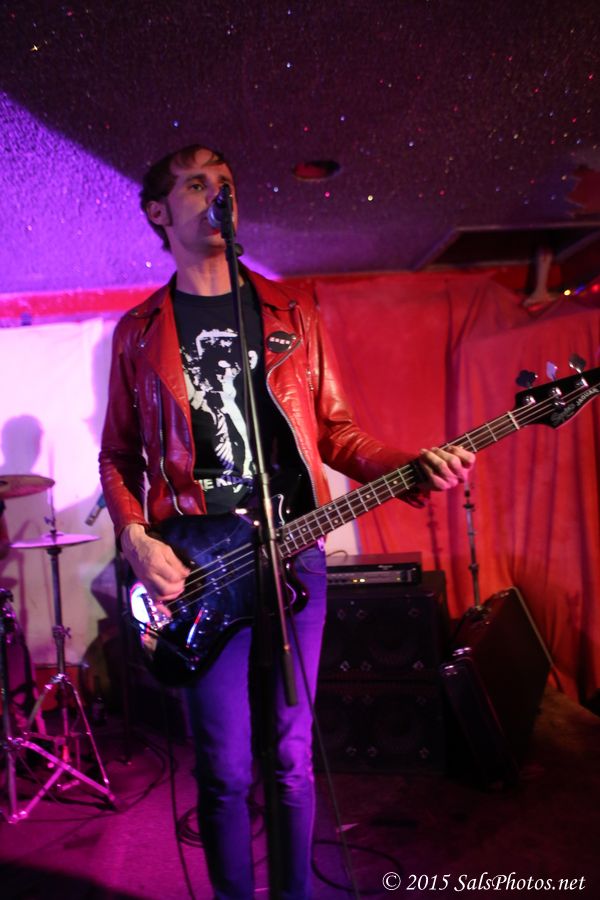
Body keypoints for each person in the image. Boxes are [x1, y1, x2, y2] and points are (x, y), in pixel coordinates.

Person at [99, 144, 474, 900]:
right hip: (201, 567)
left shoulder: (291, 311)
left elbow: (335, 432)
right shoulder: (139, 331)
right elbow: (118, 455)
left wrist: (407, 463)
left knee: (292, 758)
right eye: (196, 183)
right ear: (158, 212)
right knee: (224, 766)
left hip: (294, 555)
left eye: (226, 182)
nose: (218, 193)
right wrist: (135, 539)